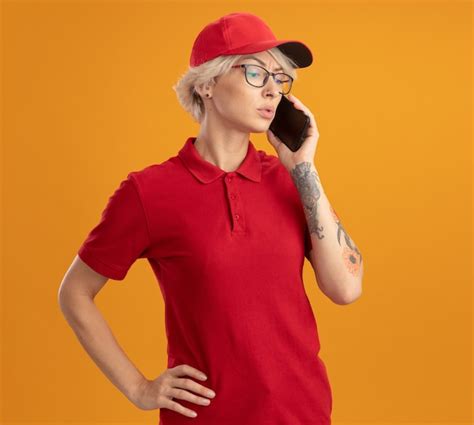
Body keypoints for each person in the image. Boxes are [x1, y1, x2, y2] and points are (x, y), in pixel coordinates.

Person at [59, 11, 363, 425]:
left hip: (302, 414)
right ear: (206, 84)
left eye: (280, 79)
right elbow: (74, 292)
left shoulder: (291, 180)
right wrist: (138, 388)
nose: (273, 91)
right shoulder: (149, 192)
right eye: (257, 73)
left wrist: (303, 167)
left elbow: (345, 288)